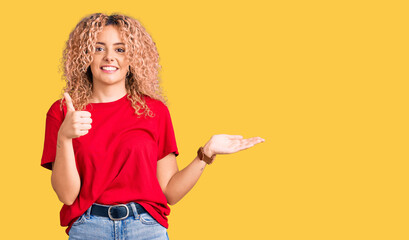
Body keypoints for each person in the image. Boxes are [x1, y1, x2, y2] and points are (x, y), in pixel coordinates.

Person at [41, 13, 265, 239]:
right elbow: (67, 196)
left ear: (133, 58)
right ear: (84, 56)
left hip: (145, 228)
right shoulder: (62, 112)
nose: (109, 57)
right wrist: (64, 137)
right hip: (89, 229)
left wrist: (206, 154)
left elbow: (170, 192)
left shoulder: (154, 111)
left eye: (120, 49)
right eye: (99, 48)